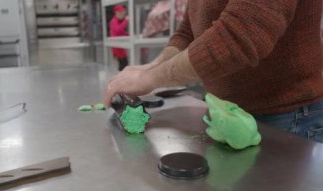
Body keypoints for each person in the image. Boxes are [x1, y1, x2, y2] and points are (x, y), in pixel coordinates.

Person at [104, 0, 323, 142]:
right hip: (225, 114)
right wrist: (150, 68)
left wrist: (152, 78)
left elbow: (239, 36)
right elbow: (188, 32)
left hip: (287, 118)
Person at [109, 5, 129, 71]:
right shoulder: (113, 21)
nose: (123, 16)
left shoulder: (117, 21)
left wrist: (128, 34)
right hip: (118, 48)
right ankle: (123, 78)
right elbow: (118, 31)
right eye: (122, 13)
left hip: (120, 47)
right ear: (117, 13)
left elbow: (121, 32)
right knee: (124, 65)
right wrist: (126, 21)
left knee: (123, 64)